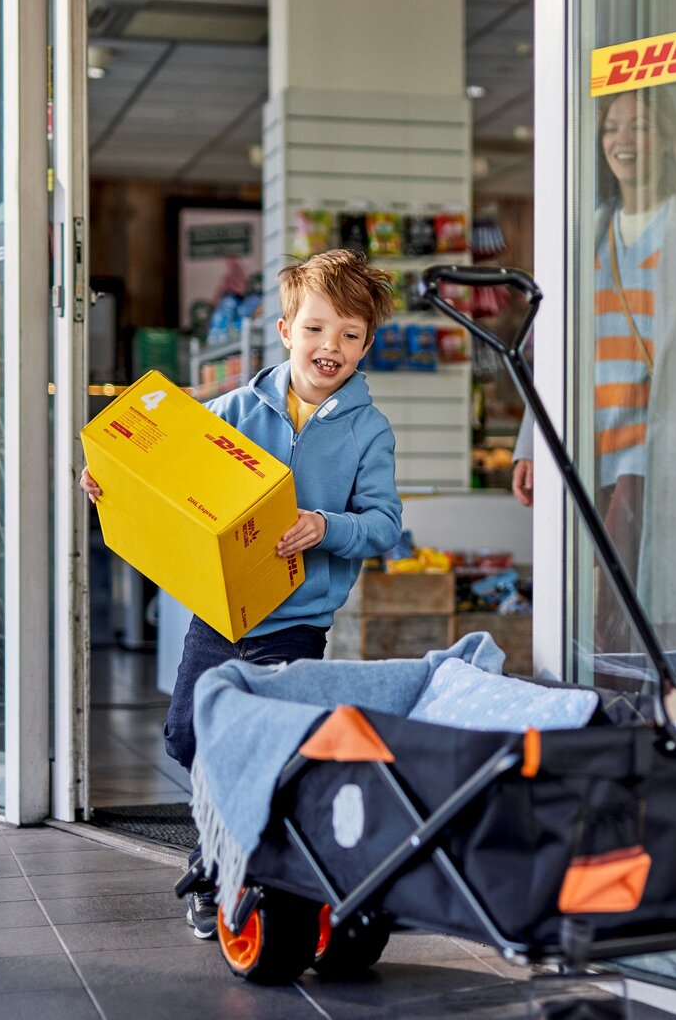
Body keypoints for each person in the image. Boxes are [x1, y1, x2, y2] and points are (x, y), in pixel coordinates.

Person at [81, 248, 402, 939]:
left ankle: (225, 867)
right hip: (218, 612)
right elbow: (165, 477)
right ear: (285, 330)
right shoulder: (228, 409)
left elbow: (383, 525)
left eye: (350, 335)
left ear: (366, 345)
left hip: (295, 623)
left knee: (270, 747)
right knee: (191, 733)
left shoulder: (368, 430)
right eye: (316, 328)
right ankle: (227, 850)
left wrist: (323, 525)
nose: (331, 347)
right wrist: (111, 483)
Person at [511, 88, 676, 653]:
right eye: (612, 128)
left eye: (641, 126)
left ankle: (650, 709)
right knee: (597, 601)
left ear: (669, 139)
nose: (624, 141)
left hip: (661, 444)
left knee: (638, 604)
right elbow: (548, 353)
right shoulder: (584, 238)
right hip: (591, 443)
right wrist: (531, 445)